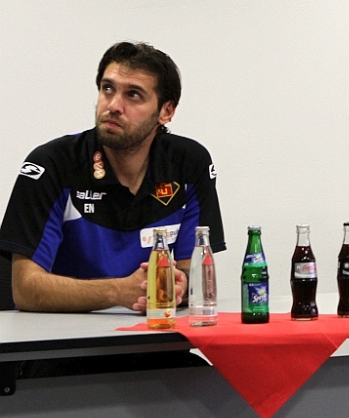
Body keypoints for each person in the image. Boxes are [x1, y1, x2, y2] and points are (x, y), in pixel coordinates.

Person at [0, 42, 226, 312]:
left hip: (148, 330)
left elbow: (196, 277)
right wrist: (118, 291)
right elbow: (25, 290)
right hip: (59, 333)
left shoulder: (189, 164)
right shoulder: (52, 164)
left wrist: (179, 286)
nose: (114, 105)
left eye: (133, 95)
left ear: (166, 111)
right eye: (107, 89)